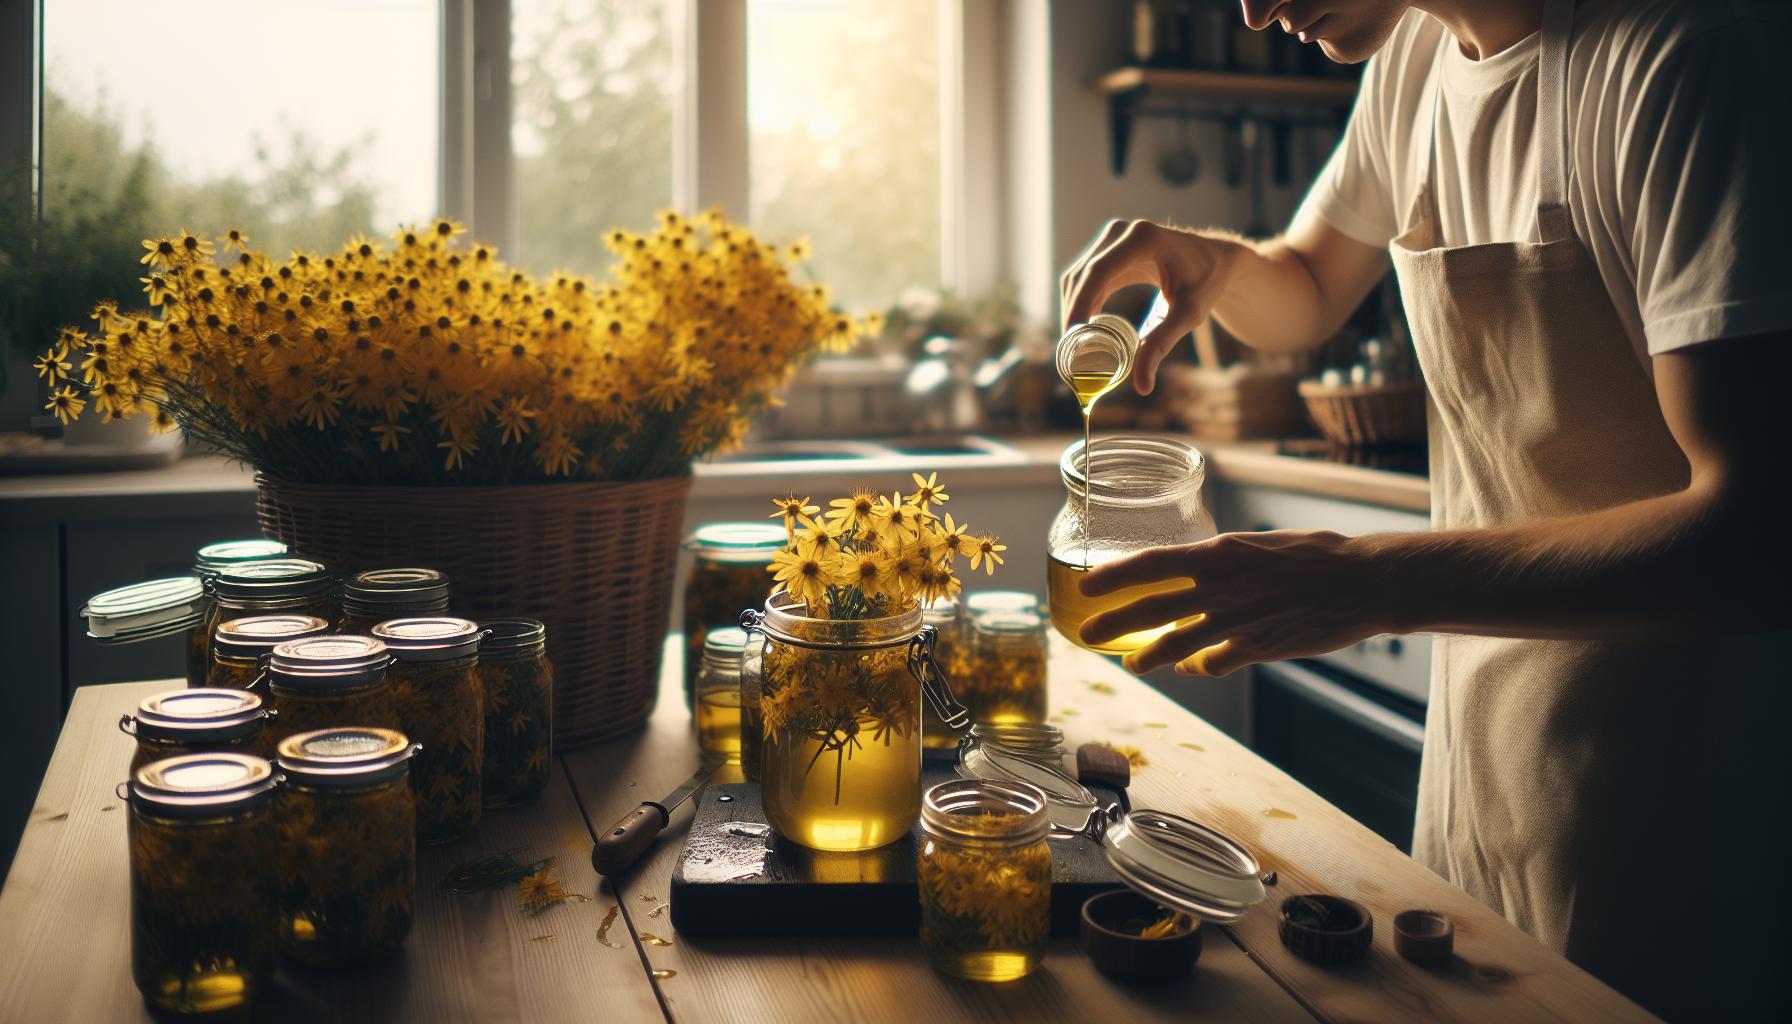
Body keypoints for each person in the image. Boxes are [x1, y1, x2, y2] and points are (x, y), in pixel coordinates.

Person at [1061, 0, 1791, 1017]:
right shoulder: (1411, 54)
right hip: (1485, 749)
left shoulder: (1682, 55)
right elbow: (1310, 283)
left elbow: (1757, 536)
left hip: (1674, 785)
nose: (1252, 8)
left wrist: (1368, 580)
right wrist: (1220, 264)